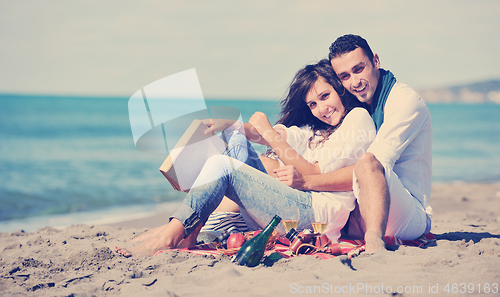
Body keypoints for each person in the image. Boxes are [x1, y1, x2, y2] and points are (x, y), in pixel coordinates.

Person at [116, 59, 376, 257]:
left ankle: (173, 234)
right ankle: (188, 226)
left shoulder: (357, 120)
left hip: (316, 216)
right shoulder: (315, 130)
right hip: (294, 205)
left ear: (339, 90)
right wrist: (230, 124)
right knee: (235, 138)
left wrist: (267, 132)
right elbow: (269, 135)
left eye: (324, 96)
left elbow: (314, 172)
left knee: (222, 165)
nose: (321, 109)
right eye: (312, 105)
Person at [285, 35, 433, 254]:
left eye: (359, 69)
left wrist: (306, 181)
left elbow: (371, 167)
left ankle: (373, 241)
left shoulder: (404, 102)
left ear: (376, 61)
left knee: (368, 162)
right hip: (362, 206)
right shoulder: (358, 106)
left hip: (408, 215)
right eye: (344, 76)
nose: (354, 82)